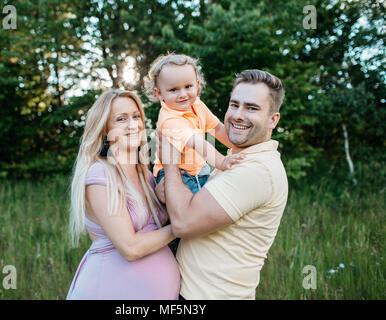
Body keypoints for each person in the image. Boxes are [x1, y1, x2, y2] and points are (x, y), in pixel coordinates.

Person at [156, 69, 288, 299]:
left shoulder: (256, 170)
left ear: (273, 120)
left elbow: (183, 224)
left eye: (252, 108)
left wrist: (169, 165)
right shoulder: (239, 160)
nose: (238, 115)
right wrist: (169, 184)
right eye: (234, 105)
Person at [66, 89, 180, 300]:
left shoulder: (144, 174)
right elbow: (130, 247)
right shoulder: (100, 174)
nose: (133, 125)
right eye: (121, 119)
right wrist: (182, 227)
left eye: (136, 116)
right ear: (104, 130)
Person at [144, 53, 242, 195]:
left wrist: (240, 149)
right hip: (180, 176)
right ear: (159, 93)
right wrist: (222, 162)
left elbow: (217, 128)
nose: (183, 94)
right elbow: (197, 143)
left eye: (188, 86)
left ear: (196, 85)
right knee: (193, 212)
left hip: (199, 170)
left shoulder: (197, 104)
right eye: (173, 90)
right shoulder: (169, 119)